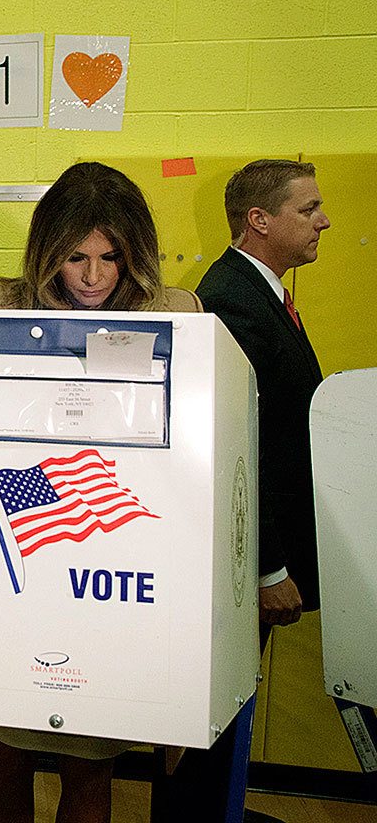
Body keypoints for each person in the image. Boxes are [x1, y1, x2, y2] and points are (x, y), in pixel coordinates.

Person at [0, 162, 201, 823]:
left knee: (91, 763)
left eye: (110, 258)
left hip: (115, 560)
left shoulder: (171, 312)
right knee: (4, 752)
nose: (94, 277)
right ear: (47, 253)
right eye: (76, 257)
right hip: (13, 546)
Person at [160, 159, 330, 822]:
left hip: (258, 548)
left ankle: (210, 810)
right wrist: (268, 568)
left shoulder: (264, 293)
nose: (324, 220)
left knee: (231, 691)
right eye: (308, 209)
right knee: (218, 694)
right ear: (258, 221)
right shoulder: (231, 300)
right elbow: (235, 449)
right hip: (242, 559)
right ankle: (195, 814)